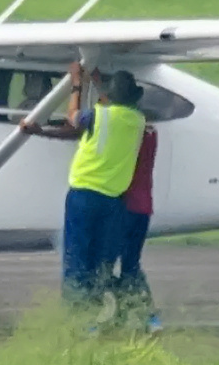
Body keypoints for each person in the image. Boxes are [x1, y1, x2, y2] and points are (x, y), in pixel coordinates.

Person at [21, 64, 146, 307]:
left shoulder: (99, 116)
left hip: (84, 194)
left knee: (77, 257)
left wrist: (77, 83)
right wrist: (98, 84)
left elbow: (73, 119)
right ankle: (99, 311)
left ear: (109, 95)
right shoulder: (137, 119)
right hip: (114, 199)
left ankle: (78, 313)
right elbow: (105, 115)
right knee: (102, 260)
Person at [113, 121, 162, 333]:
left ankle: (113, 313)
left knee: (102, 264)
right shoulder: (151, 133)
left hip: (124, 206)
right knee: (131, 265)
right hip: (143, 207)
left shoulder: (128, 132)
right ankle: (146, 316)